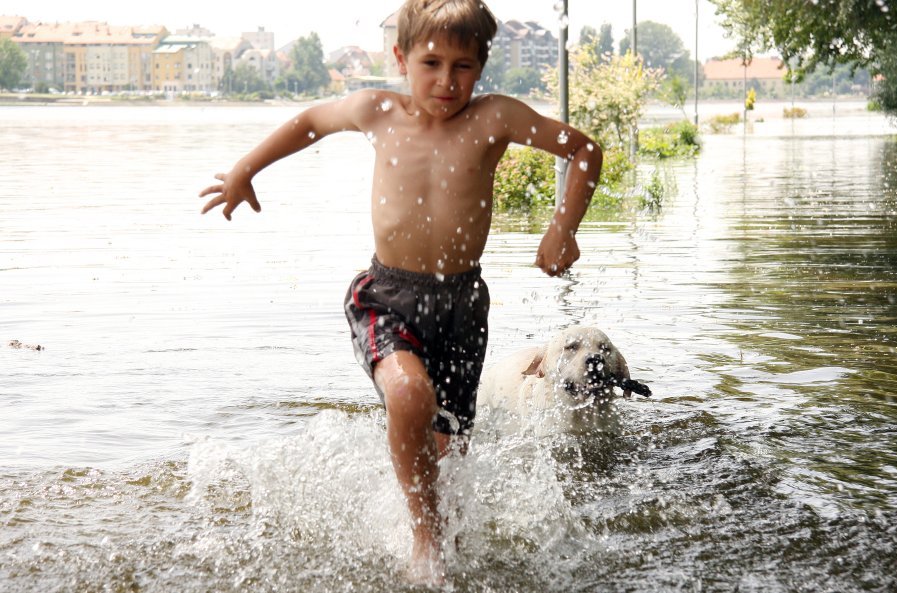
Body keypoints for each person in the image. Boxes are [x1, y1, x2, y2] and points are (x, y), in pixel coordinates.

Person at [199, 0, 601, 584]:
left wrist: (563, 227)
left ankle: (445, 535)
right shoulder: (378, 109)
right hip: (386, 295)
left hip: (463, 306)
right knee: (410, 397)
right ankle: (425, 545)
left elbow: (584, 150)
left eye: (463, 66)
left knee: (449, 455)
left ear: (483, 64)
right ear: (401, 58)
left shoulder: (495, 118)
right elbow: (311, 120)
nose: (446, 80)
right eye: (431, 62)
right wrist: (245, 170)